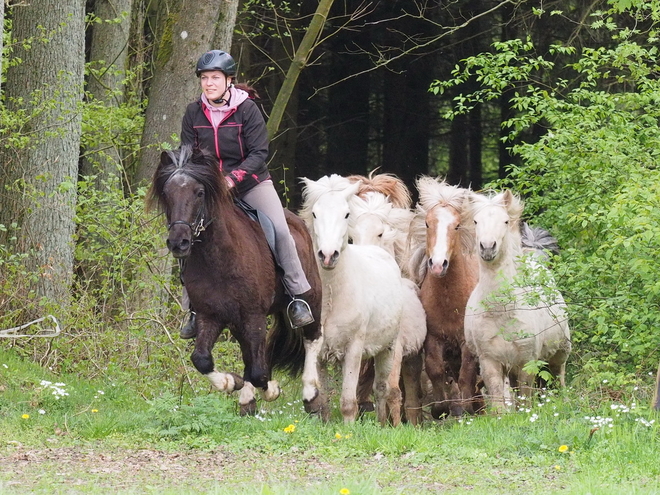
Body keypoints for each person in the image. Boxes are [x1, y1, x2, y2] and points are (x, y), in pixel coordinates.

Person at [178, 49, 315, 338]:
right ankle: (192, 308)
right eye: (204, 78)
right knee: (186, 230)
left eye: (215, 77)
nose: (209, 83)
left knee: (279, 230)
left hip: (252, 183)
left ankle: (296, 296)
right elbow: (187, 153)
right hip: (211, 189)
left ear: (229, 80)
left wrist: (232, 179)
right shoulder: (193, 112)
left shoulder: (247, 110)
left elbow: (258, 153)